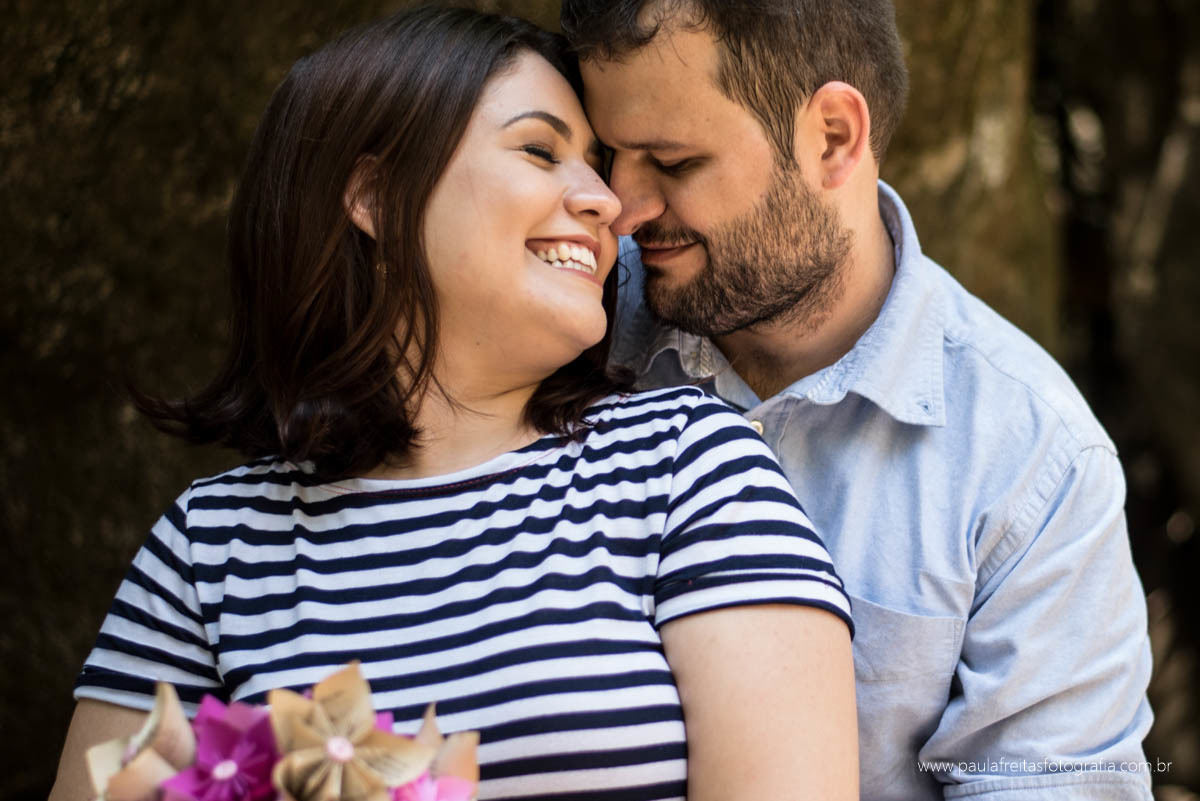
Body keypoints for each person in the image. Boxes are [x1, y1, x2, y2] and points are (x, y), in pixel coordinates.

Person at [48, 7, 858, 801]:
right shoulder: (209, 548)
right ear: (371, 195)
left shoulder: (689, 469)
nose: (607, 200)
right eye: (541, 151)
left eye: (596, 162)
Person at [558, 0, 1155, 799]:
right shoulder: (564, 328)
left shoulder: (1031, 458)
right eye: (608, 156)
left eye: (672, 163)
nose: (623, 209)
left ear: (834, 136)